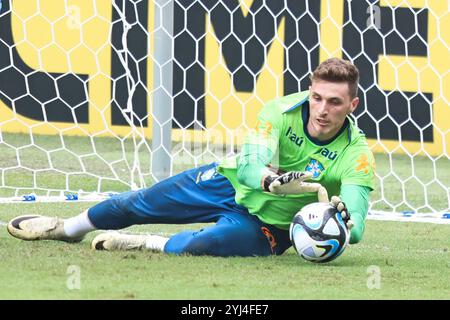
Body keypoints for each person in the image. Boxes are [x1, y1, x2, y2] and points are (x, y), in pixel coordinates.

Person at [7, 58, 375, 257]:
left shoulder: (356, 155)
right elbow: (249, 165)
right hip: (226, 184)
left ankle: (146, 243)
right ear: (309, 92)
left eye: (334, 102)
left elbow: (355, 223)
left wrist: (343, 221)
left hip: (270, 227)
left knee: (204, 245)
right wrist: (270, 181)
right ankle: (68, 230)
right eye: (317, 97)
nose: (321, 109)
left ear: (352, 105)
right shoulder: (280, 110)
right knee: (139, 202)